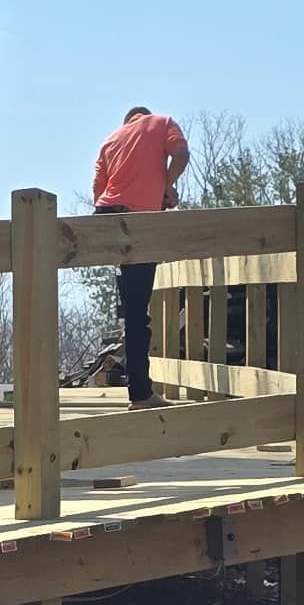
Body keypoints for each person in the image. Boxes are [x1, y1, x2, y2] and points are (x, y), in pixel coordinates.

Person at [92, 106, 190, 408]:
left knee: (131, 309)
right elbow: (182, 154)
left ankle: (140, 390)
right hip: (138, 222)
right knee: (137, 316)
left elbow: (98, 191)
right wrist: (166, 185)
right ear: (145, 116)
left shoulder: (111, 139)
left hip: (107, 217)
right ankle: (141, 394)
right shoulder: (162, 123)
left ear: (127, 122)